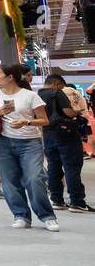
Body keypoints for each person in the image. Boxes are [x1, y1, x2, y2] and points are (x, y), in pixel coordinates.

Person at [0, 64, 57, 231]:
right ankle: (21, 215)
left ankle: (47, 216)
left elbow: (44, 120)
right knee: (9, 182)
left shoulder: (30, 96)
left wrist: (26, 121)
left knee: (35, 178)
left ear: (10, 77)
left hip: (30, 142)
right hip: (2, 143)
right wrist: (0, 112)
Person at [39, 75, 92, 214]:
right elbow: (69, 112)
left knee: (53, 167)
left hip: (48, 133)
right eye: (62, 86)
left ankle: (57, 199)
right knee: (72, 168)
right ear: (57, 83)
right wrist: (78, 111)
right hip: (66, 133)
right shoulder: (57, 93)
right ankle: (77, 202)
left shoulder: (38, 95)